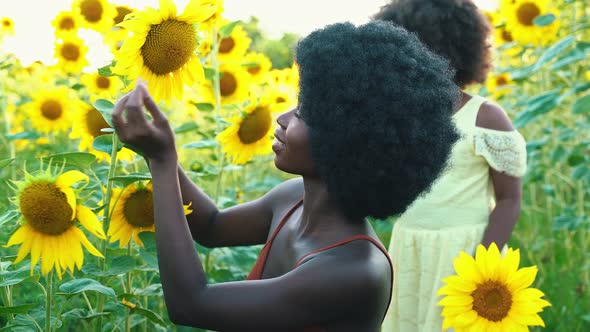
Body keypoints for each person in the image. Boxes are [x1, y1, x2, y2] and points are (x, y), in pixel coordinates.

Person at [111, 21, 459, 331]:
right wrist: (159, 155)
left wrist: (162, 160)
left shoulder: (354, 272)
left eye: (304, 112)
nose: (283, 117)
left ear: (347, 138)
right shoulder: (292, 199)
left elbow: (191, 305)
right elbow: (211, 226)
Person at [372, 0, 528, 331]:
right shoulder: (403, 117)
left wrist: (481, 266)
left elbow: (510, 199)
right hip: (409, 248)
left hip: (465, 253)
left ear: (446, 53)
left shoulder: (485, 118)